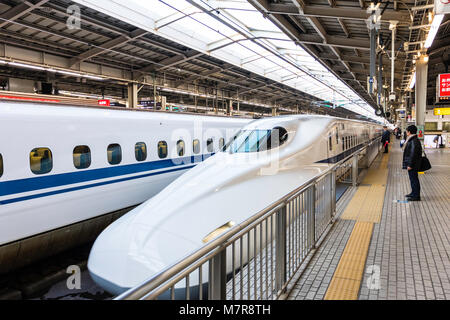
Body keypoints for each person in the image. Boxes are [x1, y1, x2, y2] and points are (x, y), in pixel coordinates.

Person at [402, 125, 422, 201]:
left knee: (414, 179)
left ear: (409, 132)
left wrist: (410, 165)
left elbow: (413, 154)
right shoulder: (412, 139)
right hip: (413, 164)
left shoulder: (413, 141)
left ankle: (416, 196)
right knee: (412, 179)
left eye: (407, 131)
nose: (406, 132)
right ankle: (413, 193)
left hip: (413, 164)